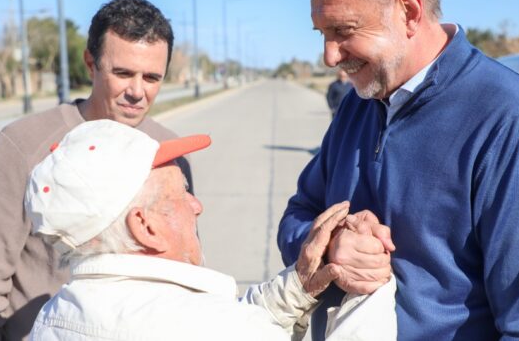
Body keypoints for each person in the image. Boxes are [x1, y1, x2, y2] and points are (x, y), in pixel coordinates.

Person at [277, 0, 519, 340]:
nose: (329, 56)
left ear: (409, 11)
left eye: (343, 31)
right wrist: (330, 245)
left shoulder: (516, 123)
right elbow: (297, 217)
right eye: (322, 34)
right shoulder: (357, 106)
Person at [0, 0, 192, 340]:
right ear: (90, 63)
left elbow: (185, 266)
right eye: (123, 73)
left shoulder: (171, 153)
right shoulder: (22, 145)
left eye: (152, 77)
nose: (137, 91)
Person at [25, 120, 398, 340]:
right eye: (182, 193)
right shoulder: (204, 329)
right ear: (145, 226)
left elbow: (230, 321)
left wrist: (299, 286)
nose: (197, 205)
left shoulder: (53, 318)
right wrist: (374, 285)